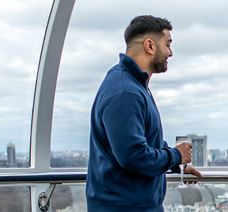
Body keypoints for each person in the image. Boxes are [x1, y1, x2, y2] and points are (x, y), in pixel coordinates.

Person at [86, 15, 202, 211]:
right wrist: (174, 155)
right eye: (168, 44)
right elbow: (134, 156)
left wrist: (174, 163)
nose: (171, 53)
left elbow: (145, 140)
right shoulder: (125, 92)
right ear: (150, 46)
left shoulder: (131, 85)